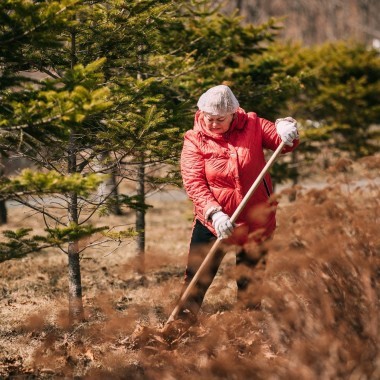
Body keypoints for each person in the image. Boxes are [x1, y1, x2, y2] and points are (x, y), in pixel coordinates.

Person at [178, 84, 299, 321]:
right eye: (209, 118)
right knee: (197, 278)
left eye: (220, 119)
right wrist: (214, 213)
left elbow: (283, 143)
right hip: (214, 221)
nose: (213, 123)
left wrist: (287, 128)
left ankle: (247, 330)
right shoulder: (194, 140)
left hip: (255, 218)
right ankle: (182, 326)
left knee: (250, 282)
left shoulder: (253, 124)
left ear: (234, 113)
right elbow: (194, 182)